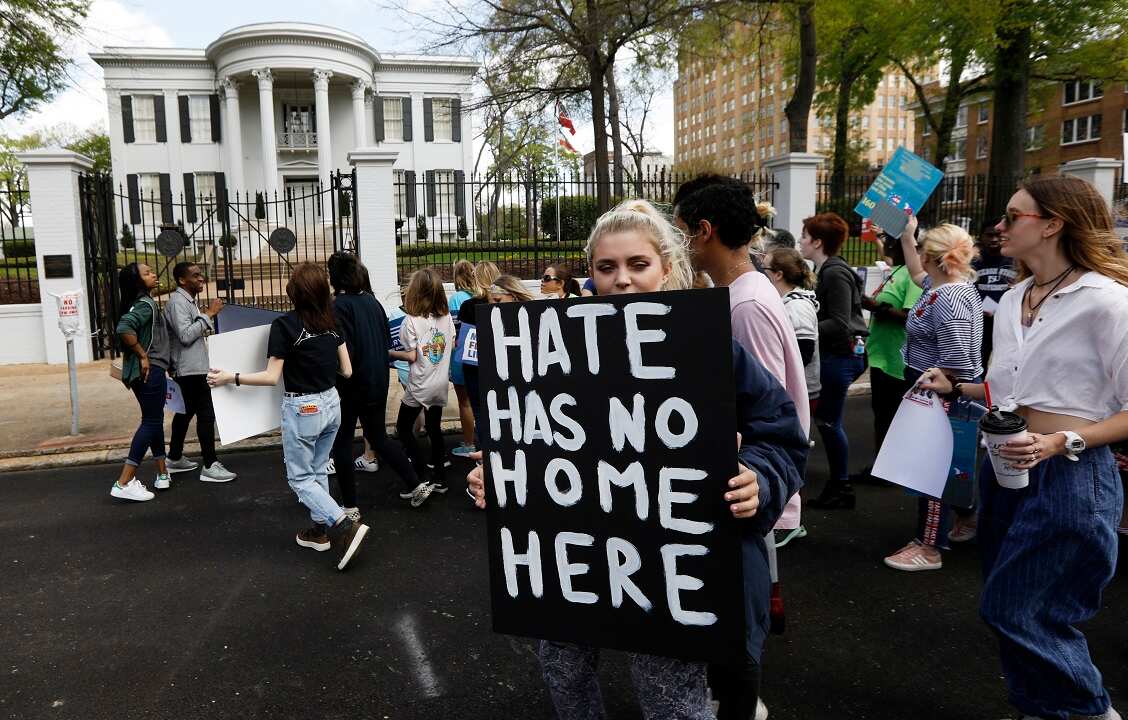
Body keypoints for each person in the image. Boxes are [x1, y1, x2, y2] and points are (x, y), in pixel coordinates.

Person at [466, 199, 807, 720]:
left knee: (671, 700)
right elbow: (525, 436)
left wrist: (758, 477)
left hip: (668, 566)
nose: (621, 279)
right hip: (573, 560)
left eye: (638, 265)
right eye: (607, 268)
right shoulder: (550, 347)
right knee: (564, 673)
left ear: (667, 268)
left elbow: (780, 432)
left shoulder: (708, 346)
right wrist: (500, 477)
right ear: (592, 274)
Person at [918, 175, 1127, 720]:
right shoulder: (1012, 298)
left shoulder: (1107, 302)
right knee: (1018, 603)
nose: (999, 226)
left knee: (1018, 608)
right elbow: (1010, 389)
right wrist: (958, 387)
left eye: (1014, 216)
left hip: (1072, 472)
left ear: (1053, 224)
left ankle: (1086, 710)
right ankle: (1040, 706)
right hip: (1005, 467)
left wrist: (1063, 440)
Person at [207, 262, 369, 571]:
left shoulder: (285, 325)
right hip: (332, 403)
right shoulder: (332, 322)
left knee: (299, 478)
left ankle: (341, 524)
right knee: (318, 469)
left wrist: (231, 377)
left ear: (294, 292)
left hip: (303, 408)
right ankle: (319, 532)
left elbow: (271, 377)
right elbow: (346, 370)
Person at [882, 219, 982, 572]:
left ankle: (929, 547)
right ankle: (968, 517)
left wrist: (939, 393)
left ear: (933, 258)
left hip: (942, 393)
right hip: (938, 389)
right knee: (950, 465)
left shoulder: (947, 299)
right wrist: (908, 237)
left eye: (922, 249)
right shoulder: (947, 286)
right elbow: (915, 274)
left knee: (930, 471)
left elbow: (956, 359)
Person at [327, 252, 427, 520]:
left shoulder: (339, 306)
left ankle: (350, 506)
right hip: (378, 378)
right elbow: (384, 340)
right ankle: (415, 484)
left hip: (352, 382)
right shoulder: (373, 302)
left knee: (343, 441)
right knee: (379, 436)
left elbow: (344, 348)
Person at [799, 212, 868, 509]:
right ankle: (840, 484)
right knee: (827, 421)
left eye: (804, 236)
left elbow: (840, 323)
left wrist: (799, 327)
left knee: (829, 422)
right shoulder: (828, 270)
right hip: (837, 355)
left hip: (840, 357)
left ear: (817, 241)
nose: (801, 241)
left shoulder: (834, 273)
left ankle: (842, 486)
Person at [855, 233, 923, 481]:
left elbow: (912, 316)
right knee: (882, 414)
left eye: (892, 242)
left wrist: (876, 307)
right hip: (881, 355)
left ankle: (890, 471)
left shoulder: (912, 277)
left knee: (890, 416)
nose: (887, 246)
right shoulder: (898, 271)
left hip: (896, 358)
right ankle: (882, 467)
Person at [163, 262, 236, 483]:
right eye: (195, 276)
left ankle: (174, 458)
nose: (201, 278)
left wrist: (205, 318)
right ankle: (210, 465)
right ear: (182, 280)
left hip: (192, 367)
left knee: (185, 413)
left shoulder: (187, 301)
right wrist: (209, 314)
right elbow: (185, 335)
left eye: (200, 274)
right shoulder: (178, 302)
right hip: (189, 369)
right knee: (206, 414)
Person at [110, 263, 172, 502]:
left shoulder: (142, 302)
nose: (153, 274)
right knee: (151, 421)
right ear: (137, 281)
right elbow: (124, 328)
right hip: (150, 371)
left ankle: (162, 473)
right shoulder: (145, 305)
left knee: (153, 419)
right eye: (147, 273)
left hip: (146, 372)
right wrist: (143, 355)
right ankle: (124, 482)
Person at [396, 268, 455, 497]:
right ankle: (440, 479)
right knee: (434, 429)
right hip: (440, 383)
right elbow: (452, 343)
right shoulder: (447, 316)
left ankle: (420, 476)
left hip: (419, 385)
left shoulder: (410, 321)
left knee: (403, 428)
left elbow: (411, 356)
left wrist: (390, 353)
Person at [763, 247, 820, 415]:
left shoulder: (797, 307)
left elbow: (804, 354)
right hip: (793, 390)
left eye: (764, 268)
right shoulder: (785, 302)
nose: (760, 272)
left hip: (802, 392)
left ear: (778, 274)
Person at [971, 219, 1017, 364]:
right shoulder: (973, 262)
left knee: (1006, 361)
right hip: (980, 321)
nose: (994, 239)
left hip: (1007, 321)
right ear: (981, 237)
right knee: (979, 360)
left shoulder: (1016, 261)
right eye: (989, 235)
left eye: (998, 235)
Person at [449, 259, 479, 459]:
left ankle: (469, 443)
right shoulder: (479, 295)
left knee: (464, 402)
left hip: (461, 356)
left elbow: (455, 333)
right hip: (479, 356)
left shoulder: (456, 298)